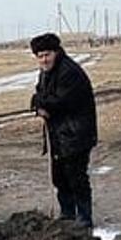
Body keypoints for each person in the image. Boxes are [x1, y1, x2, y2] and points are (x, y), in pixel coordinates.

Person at [30, 32, 98, 228]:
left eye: (47, 55)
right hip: (59, 134)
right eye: (40, 56)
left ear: (56, 52)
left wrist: (42, 105)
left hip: (76, 134)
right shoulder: (45, 72)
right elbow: (40, 95)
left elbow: (60, 102)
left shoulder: (69, 72)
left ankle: (84, 217)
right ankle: (67, 214)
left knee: (76, 176)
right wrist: (39, 104)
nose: (44, 59)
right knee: (59, 176)